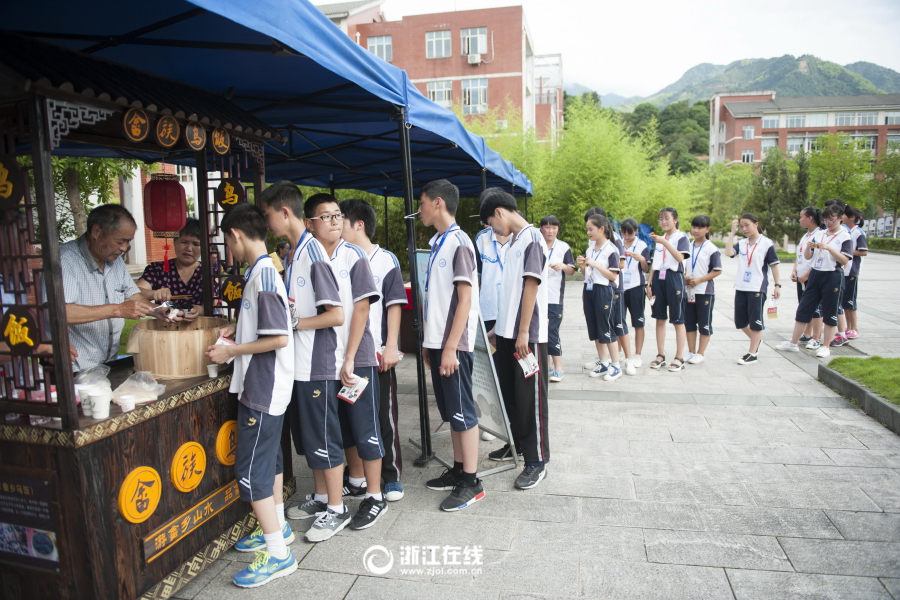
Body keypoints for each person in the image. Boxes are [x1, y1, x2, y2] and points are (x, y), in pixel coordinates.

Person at [204, 202, 296, 588]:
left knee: (253, 473)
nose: (229, 249)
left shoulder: (263, 276)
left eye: (227, 241)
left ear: (235, 235)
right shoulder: (263, 271)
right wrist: (237, 332)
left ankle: (278, 555)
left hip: (263, 387)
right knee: (270, 464)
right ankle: (279, 529)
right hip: (268, 386)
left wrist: (230, 351)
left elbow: (277, 336)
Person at [256, 182, 347, 540]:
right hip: (302, 362)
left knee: (325, 439)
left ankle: (337, 509)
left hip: (318, 364)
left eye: (268, 216)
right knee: (312, 439)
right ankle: (324, 497)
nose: (267, 224)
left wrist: (294, 323)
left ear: (284, 212)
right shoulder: (296, 253)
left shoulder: (313, 255)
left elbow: (336, 315)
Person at [310, 193, 386, 533]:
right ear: (310, 223)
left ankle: (375, 495)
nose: (334, 221)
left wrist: (352, 357)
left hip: (358, 358)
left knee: (365, 427)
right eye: (326, 216)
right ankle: (345, 488)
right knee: (341, 431)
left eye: (338, 215)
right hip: (326, 362)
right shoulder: (307, 256)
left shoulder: (353, 255)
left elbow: (362, 307)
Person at [418, 180, 484, 510]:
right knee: (451, 412)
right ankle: (459, 470)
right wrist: (432, 345)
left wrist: (449, 348)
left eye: (423, 202)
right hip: (440, 343)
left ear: (438, 203)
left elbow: (465, 299)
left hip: (453, 346)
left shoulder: (459, 243)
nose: (420, 209)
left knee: (462, 411)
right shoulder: (440, 242)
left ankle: (472, 481)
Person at [481, 188, 550, 490]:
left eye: (491, 224)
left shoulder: (532, 239)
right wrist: (501, 328)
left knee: (530, 399)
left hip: (528, 336)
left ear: (499, 212)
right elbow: (510, 293)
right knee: (510, 394)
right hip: (508, 333)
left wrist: (523, 331)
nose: (493, 231)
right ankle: (516, 444)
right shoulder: (514, 244)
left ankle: (537, 461)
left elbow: (531, 287)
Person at [339, 199, 408, 503]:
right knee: (352, 417)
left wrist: (391, 345)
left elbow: (394, 304)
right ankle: (357, 477)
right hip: (347, 355)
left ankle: (391, 476)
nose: (335, 227)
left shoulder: (385, 259)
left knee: (383, 416)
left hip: (377, 354)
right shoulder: (340, 258)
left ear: (358, 225)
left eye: (340, 221)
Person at [59, 204, 168, 372]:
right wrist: (117, 310)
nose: (124, 248)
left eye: (128, 242)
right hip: (73, 367)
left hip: (107, 364)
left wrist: (157, 310)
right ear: (96, 232)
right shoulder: (66, 260)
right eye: (120, 241)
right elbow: (61, 312)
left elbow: (133, 295)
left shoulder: (115, 259)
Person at [776, 205, 850, 359]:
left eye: (832, 219)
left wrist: (830, 248)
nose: (828, 222)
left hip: (832, 275)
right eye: (826, 219)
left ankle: (825, 345)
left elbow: (844, 260)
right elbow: (809, 257)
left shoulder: (844, 236)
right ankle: (793, 343)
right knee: (804, 308)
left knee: (830, 311)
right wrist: (809, 248)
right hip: (816, 274)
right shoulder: (820, 234)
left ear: (840, 218)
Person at [725, 213, 782, 365]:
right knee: (740, 321)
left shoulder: (766, 243)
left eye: (747, 225)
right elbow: (729, 253)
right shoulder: (742, 243)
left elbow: (774, 265)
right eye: (741, 226)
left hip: (757, 286)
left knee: (755, 321)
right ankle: (756, 342)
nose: (744, 229)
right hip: (741, 286)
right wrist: (732, 233)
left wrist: (777, 285)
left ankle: (752, 353)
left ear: (756, 224)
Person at [578, 213, 624, 381]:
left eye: (591, 229)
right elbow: (587, 272)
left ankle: (616, 366)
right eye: (587, 230)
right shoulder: (590, 249)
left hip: (604, 290)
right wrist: (582, 266)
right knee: (595, 328)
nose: (588, 232)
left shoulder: (612, 249)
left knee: (607, 327)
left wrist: (595, 264)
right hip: (589, 289)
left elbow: (613, 276)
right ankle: (603, 362)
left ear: (601, 229)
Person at [647, 207, 690, 372]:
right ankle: (660, 355)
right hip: (659, 279)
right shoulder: (659, 239)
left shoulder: (681, 237)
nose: (664, 222)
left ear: (675, 220)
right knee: (659, 318)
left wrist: (665, 242)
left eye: (667, 218)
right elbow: (654, 264)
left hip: (674, 278)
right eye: (661, 219)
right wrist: (649, 283)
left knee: (678, 319)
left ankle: (679, 357)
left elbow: (680, 258)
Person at [136, 218, 204, 320]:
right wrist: (153, 294)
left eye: (196, 244)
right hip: (165, 328)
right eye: (184, 242)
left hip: (201, 329)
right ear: (174, 242)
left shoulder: (208, 272)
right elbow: (134, 292)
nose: (189, 248)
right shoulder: (157, 269)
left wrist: (198, 310)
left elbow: (214, 304)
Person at [539, 215, 575, 382]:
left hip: (554, 297)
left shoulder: (563, 247)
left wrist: (563, 266)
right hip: (537, 296)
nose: (551, 231)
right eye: (547, 227)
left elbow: (571, 270)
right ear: (541, 229)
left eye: (554, 228)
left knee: (552, 331)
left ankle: (559, 368)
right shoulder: (536, 244)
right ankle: (547, 366)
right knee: (541, 332)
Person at [683, 215, 722, 364]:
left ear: (707, 229)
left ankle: (700, 353)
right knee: (689, 322)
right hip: (689, 292)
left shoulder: (711, 248)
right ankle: (691, 351)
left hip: (704, 291)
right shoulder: (688, 246)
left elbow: (717, 270)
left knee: (704, 323)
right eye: (694, 227)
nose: (696, 230)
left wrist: (699, 279)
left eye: (700, 227)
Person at [791, 207, 825, 350]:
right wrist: (795, 270)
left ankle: (816, 337)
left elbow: (819, 258)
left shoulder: (820, 235)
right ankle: (807, 333)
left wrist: (807, 274)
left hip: (811, 276)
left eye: (801, 217)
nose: (800, 219)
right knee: (804, 306)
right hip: (801, 276)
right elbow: (800, 256)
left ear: (810, 218)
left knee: (815, 308)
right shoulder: (806, 235)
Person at [619, 218, 650, 367]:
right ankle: (619, 352)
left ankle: (637, 354)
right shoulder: (618, 243)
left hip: (636, 286)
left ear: (636, 231)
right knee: (619, 321)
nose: (627, 235)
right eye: (624, 232)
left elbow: (646, 269)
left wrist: (642, 259)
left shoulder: (642, 245)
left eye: (630, 232)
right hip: (620, 286)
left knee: (638, 322)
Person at [474, 222, 510, 336]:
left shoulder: (521, 238)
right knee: (491, 350)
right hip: (488, 308)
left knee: (512, 351)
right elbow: (476, 276)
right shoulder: (482, 238)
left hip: (512, 310)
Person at [840, 204, 867, 340]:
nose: (842, 217)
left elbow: (864, 251)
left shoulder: (858, 232)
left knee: (850, 301)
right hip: (843, 272)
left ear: (852, 217)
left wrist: (847, 251)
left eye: (844, 215)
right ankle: (848, 327)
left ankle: (854, 328)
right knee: (844, 301)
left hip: (851, 271)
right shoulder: (846, 231)